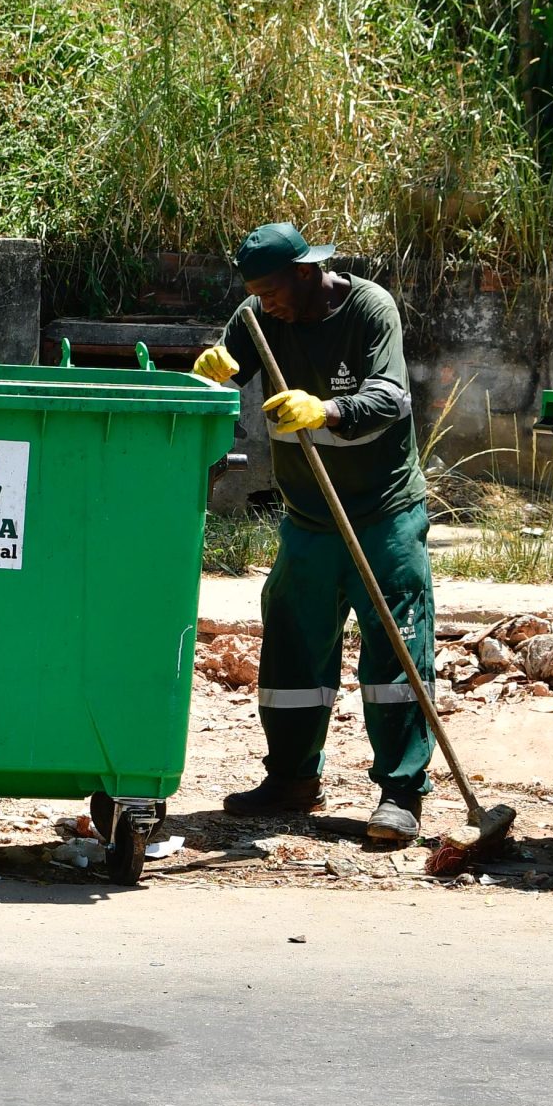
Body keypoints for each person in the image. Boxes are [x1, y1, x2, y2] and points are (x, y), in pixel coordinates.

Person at [193, 223, 435, 847]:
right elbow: (225, 377)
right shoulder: (257, 318)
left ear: (306, 273)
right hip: (308, 518)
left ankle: (400, 792)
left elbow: (389, 398)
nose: (262, 303)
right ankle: (292, 780)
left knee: (396, 654)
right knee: (293, 648)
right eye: (254, 292)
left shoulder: (368, 309)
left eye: (271, 290)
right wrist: (212, 371)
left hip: (383, 513)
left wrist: (324, 410)